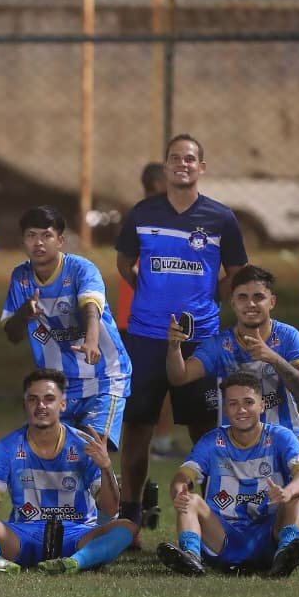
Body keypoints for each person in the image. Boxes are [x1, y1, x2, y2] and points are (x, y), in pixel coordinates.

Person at [115, 134, 247, 531]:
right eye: (175, 159)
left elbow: (238, 272)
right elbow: (124, 263)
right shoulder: (142, 213)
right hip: (146, 336)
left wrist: (211, 299)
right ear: (167, 165)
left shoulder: (221, 217)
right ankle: (131, 518)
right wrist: (151, 293)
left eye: (190, 159)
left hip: (201, 338)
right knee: (138, 425)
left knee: (203, 430)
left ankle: (205, 519)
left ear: (201, 167)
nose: (183, 165)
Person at [0, 369, 136, 575]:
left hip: (76, 535)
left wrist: (106, 467)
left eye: (49, 399)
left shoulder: (85, 445)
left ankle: (74, 563)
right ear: (25, 404)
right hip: (24, 535)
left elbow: (110, 508)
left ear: (62, 404)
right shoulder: (6, 448)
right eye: (33, 399)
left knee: (127, 527)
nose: (41, 406)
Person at [157, 371, 299, 578]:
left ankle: (285, 554)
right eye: (233, 404)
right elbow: (183, 477)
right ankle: (191, 557)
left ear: (262, 405)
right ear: (226, 409)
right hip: (223, 536)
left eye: (248, 402)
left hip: (269, 533)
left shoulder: (281, 436)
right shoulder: (212, 441)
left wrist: (287, 492)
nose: (241, 410)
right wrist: (179, 491)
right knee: (190, 500)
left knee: (296, 496)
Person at [1, 206, 131, 448]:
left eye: (46, 235)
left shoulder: (81, 269)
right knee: (54, 455)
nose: (38, 243)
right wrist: (24, 313)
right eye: (31, 236)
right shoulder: (20, 277)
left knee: (92, 452)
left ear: (60, 240)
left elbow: (90, 307)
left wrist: (91, 340)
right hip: (58, 385)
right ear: (23, 241)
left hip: (104, 376)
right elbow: (12, 334)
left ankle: (109, 486)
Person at [166, 264, 299, 454]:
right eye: (243, 297)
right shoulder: (219, 344)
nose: (250, 304)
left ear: (272, 302)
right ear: (233, 302)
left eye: (258, 297)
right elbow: (180, 376)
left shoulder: (288, 336)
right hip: (235, 440)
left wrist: (275, 359)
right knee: (201, 459)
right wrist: (174, 347)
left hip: (288, 432)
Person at [116, 163, 178, 458]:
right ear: (157, 185)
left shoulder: (140, 215)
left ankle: (154, 441)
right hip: (142, 315)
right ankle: (155, 443)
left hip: (135, 314)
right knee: (151, 383)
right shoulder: (148, 218)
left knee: (149, 382)